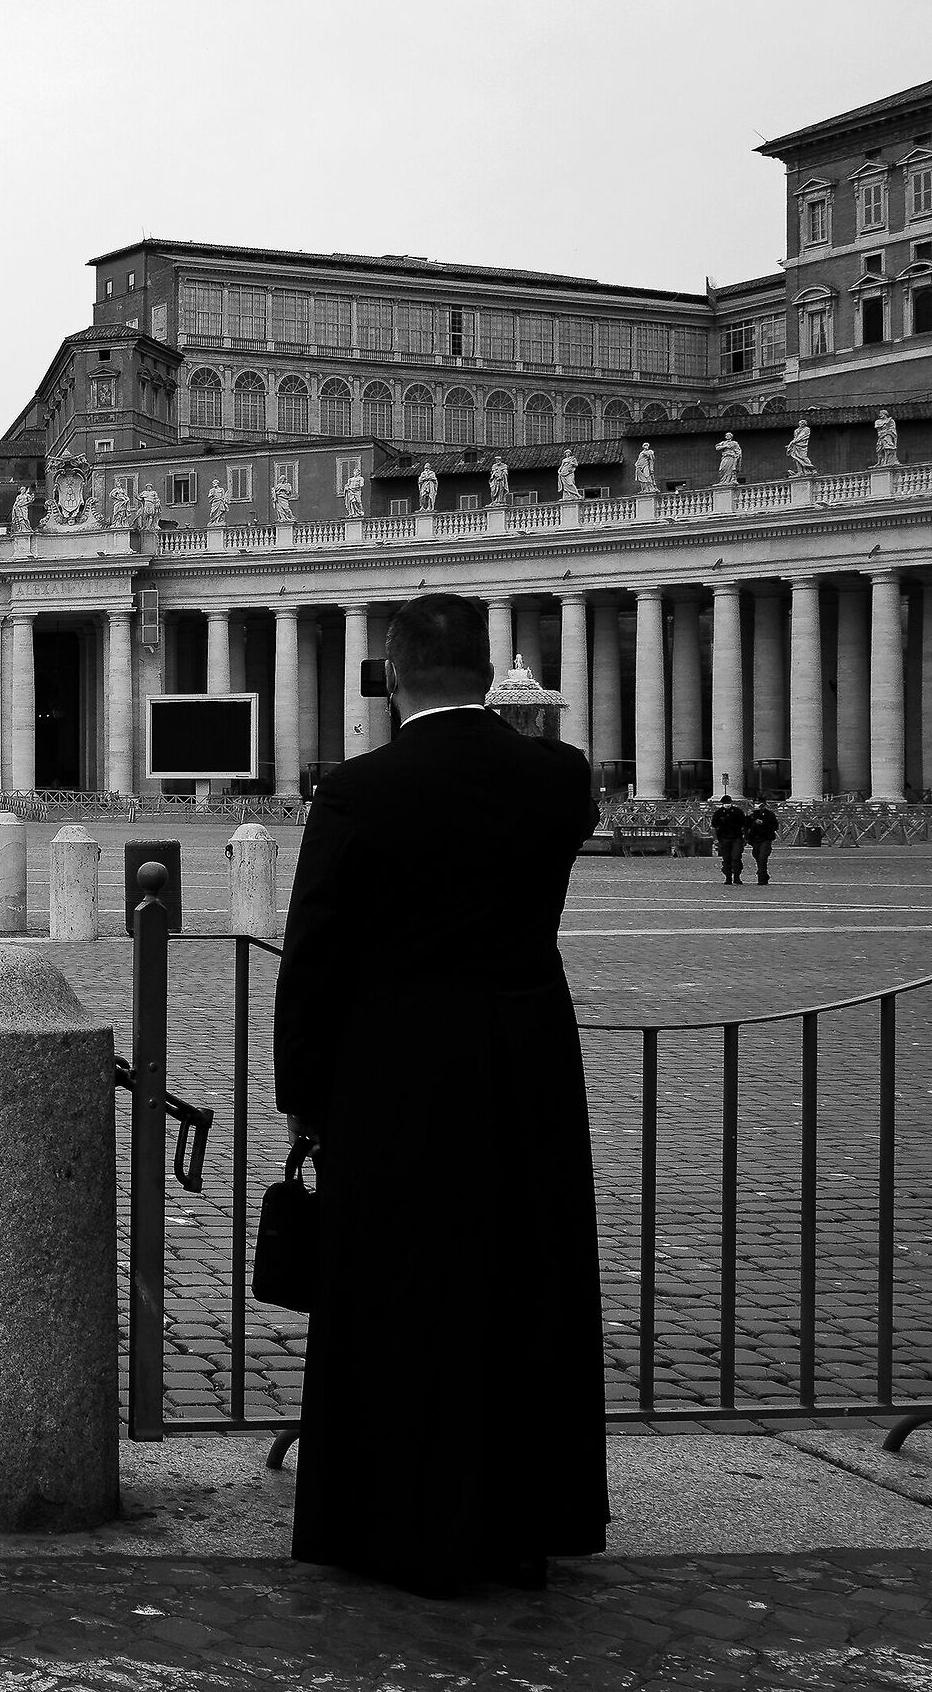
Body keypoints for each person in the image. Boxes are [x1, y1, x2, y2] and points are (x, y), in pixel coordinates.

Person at [274, 590, 606, 1598]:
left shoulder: (361, 791)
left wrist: (304, 1093)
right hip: (527, 1058)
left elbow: (315, 953)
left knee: (401, 1288)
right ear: (489, 670)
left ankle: (396, 1520)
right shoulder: (558, 778)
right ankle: (527, 1515)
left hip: (396, 1066)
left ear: (393, 669)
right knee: (525, 1279)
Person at [710, 794, 748, 883]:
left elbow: (744, 825)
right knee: (726, 858)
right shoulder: (718, 813)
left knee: (736, 857)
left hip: (736, 838)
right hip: (724, 838)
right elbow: (714, 827)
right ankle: (728, 877)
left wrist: (745, 838)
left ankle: (737, 876)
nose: (727, 804)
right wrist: (716, 839)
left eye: (728, 802)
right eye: (725, 803)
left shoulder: (737, 812)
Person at [745, 799, 780, 886]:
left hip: (766, 838)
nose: (756, 805)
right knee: (756, 855)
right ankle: (763, 873)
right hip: (755, 839)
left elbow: (775, 826)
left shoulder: (769, 814)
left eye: (758, 803)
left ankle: (761, 877)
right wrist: (748, 817)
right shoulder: (752, 814)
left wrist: (763, 823)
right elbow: (746, 825)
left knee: (762, 857)